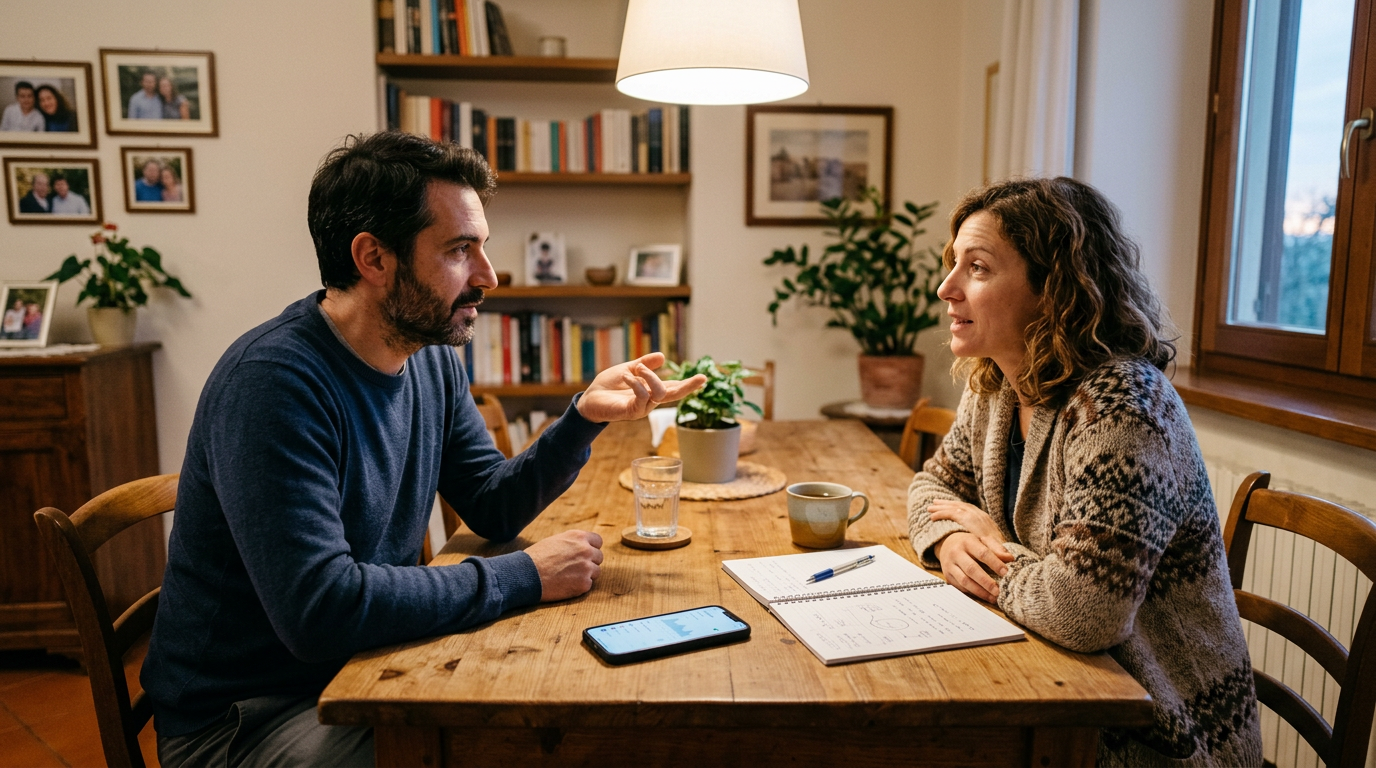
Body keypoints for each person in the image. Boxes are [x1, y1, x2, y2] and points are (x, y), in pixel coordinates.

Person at [141, 130, 707, 768]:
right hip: (246, 721)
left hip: (366, 669)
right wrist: (525, 575)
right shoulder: (272, 384)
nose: (488, 277)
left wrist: (581, 417)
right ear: (374, 259)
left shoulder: (426, 361)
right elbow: (320, 611)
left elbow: (490, 506)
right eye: (460, 250)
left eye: (482, 247)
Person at [907, 177, 1261, 767]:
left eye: (978, 268)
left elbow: (1085, 612)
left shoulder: (1123, 409)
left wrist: (996, 551)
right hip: (1060, 687)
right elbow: (930, 487)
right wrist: (948, 538)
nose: (946, 288)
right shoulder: (998, 383)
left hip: (1159, 736)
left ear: (1053, 290)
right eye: (953, 265)